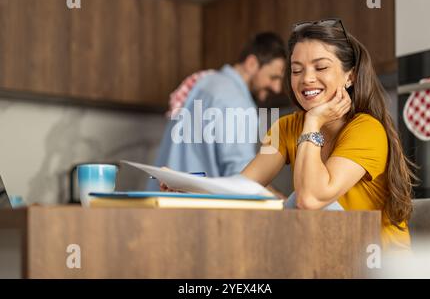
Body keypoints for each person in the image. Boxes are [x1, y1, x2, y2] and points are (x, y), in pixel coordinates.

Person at [241, 19, 416, 251]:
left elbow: (311, 200)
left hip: (380, 265)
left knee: (297, 201)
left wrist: (313, 121)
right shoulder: (285, 128)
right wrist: (189, 189)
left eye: (321, 67)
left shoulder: (368, 130)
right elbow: (242, 187)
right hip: (328, 256)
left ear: (350, 77)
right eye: (296, 70)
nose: (306, 79)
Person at [148, 32, 286, 191]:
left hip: (162, 201)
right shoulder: (236, 101)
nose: (277, 88)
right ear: (252, 64)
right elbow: (243, 178)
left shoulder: (203, 84)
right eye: (273, 77)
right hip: (196, 209)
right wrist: (283, 203)